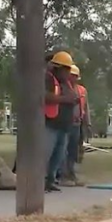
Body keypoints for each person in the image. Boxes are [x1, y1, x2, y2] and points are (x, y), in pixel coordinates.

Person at [44, 51, 78, 192]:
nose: (68, 72)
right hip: (50, 123)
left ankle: (50, 181)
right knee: (46, 154)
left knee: (58, 156)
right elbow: (44, 96)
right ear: (59, 68)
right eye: (67, 69)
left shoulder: (67, 83)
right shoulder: (48, 79)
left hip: (64, 125)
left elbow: (73, 98)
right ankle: (40, 181)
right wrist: (66, 99)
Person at [60, 64, 89, 186]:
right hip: (65, 123)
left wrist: (88, 124)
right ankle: (63, 175)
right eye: (71, 75)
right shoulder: (62, 88)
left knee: (73, 151)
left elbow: (86, 108)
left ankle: (71, 174)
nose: (73, 78)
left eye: (75, 76)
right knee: (63, 150)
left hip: (77, 124)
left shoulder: (82, 90)